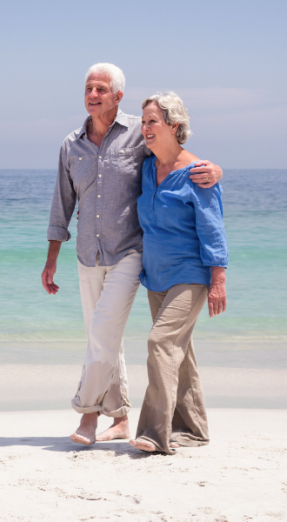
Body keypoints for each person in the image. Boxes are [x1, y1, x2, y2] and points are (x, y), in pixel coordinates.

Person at [41, 63, 223, 446]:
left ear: (117, 95)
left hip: (131, 253)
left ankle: (91, 415)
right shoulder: (71, 144)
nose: (93, 95)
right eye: (88, 88)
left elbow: (179, 157)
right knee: (104, 338)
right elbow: (63, 202)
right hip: (91, 254)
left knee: (111, 334)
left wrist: (216, 170)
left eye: (101, 89)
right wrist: (52, 257)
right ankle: (125, 418)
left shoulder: (139, 135)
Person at [129, 92, 228, 454]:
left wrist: (218, 280)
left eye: (152, 122)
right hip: (156, 276)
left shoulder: (198, 173)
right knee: (178, 353)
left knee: (160, 344)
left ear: (174, 125)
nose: (145, 128)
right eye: (143, 122)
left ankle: (155, 433)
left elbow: (213, 228)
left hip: (191, 274)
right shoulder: (147, 166)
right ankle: (194, 429)